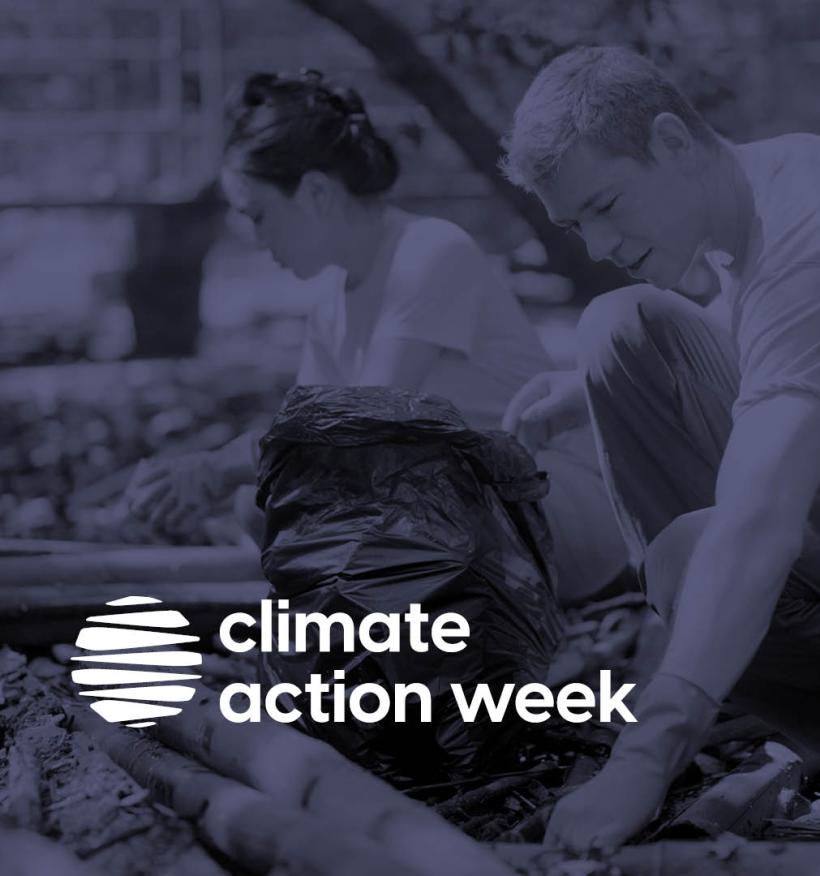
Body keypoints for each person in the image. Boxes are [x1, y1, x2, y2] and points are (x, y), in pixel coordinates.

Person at [126, 70, 627, 601]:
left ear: (316, 191)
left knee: (371, 478)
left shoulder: (430, 252)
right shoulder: (329, 301)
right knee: (261, 503)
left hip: (550, 508)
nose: (252, 235)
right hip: (460, 518)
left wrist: (213, 467)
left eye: (259, 214)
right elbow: (301, 453)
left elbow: (361, 429)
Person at [501, 45, 820, 853]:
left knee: (692, 553)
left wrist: (646, 755)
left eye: (608, 204)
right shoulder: (761, 194)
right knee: (622, 327)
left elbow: (761, 521)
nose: (598, 244)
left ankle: (713, 682)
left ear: (674, 142)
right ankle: (737, 671)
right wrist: (586, 388)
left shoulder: (806, 233)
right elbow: (770, 353)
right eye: (577, 225)